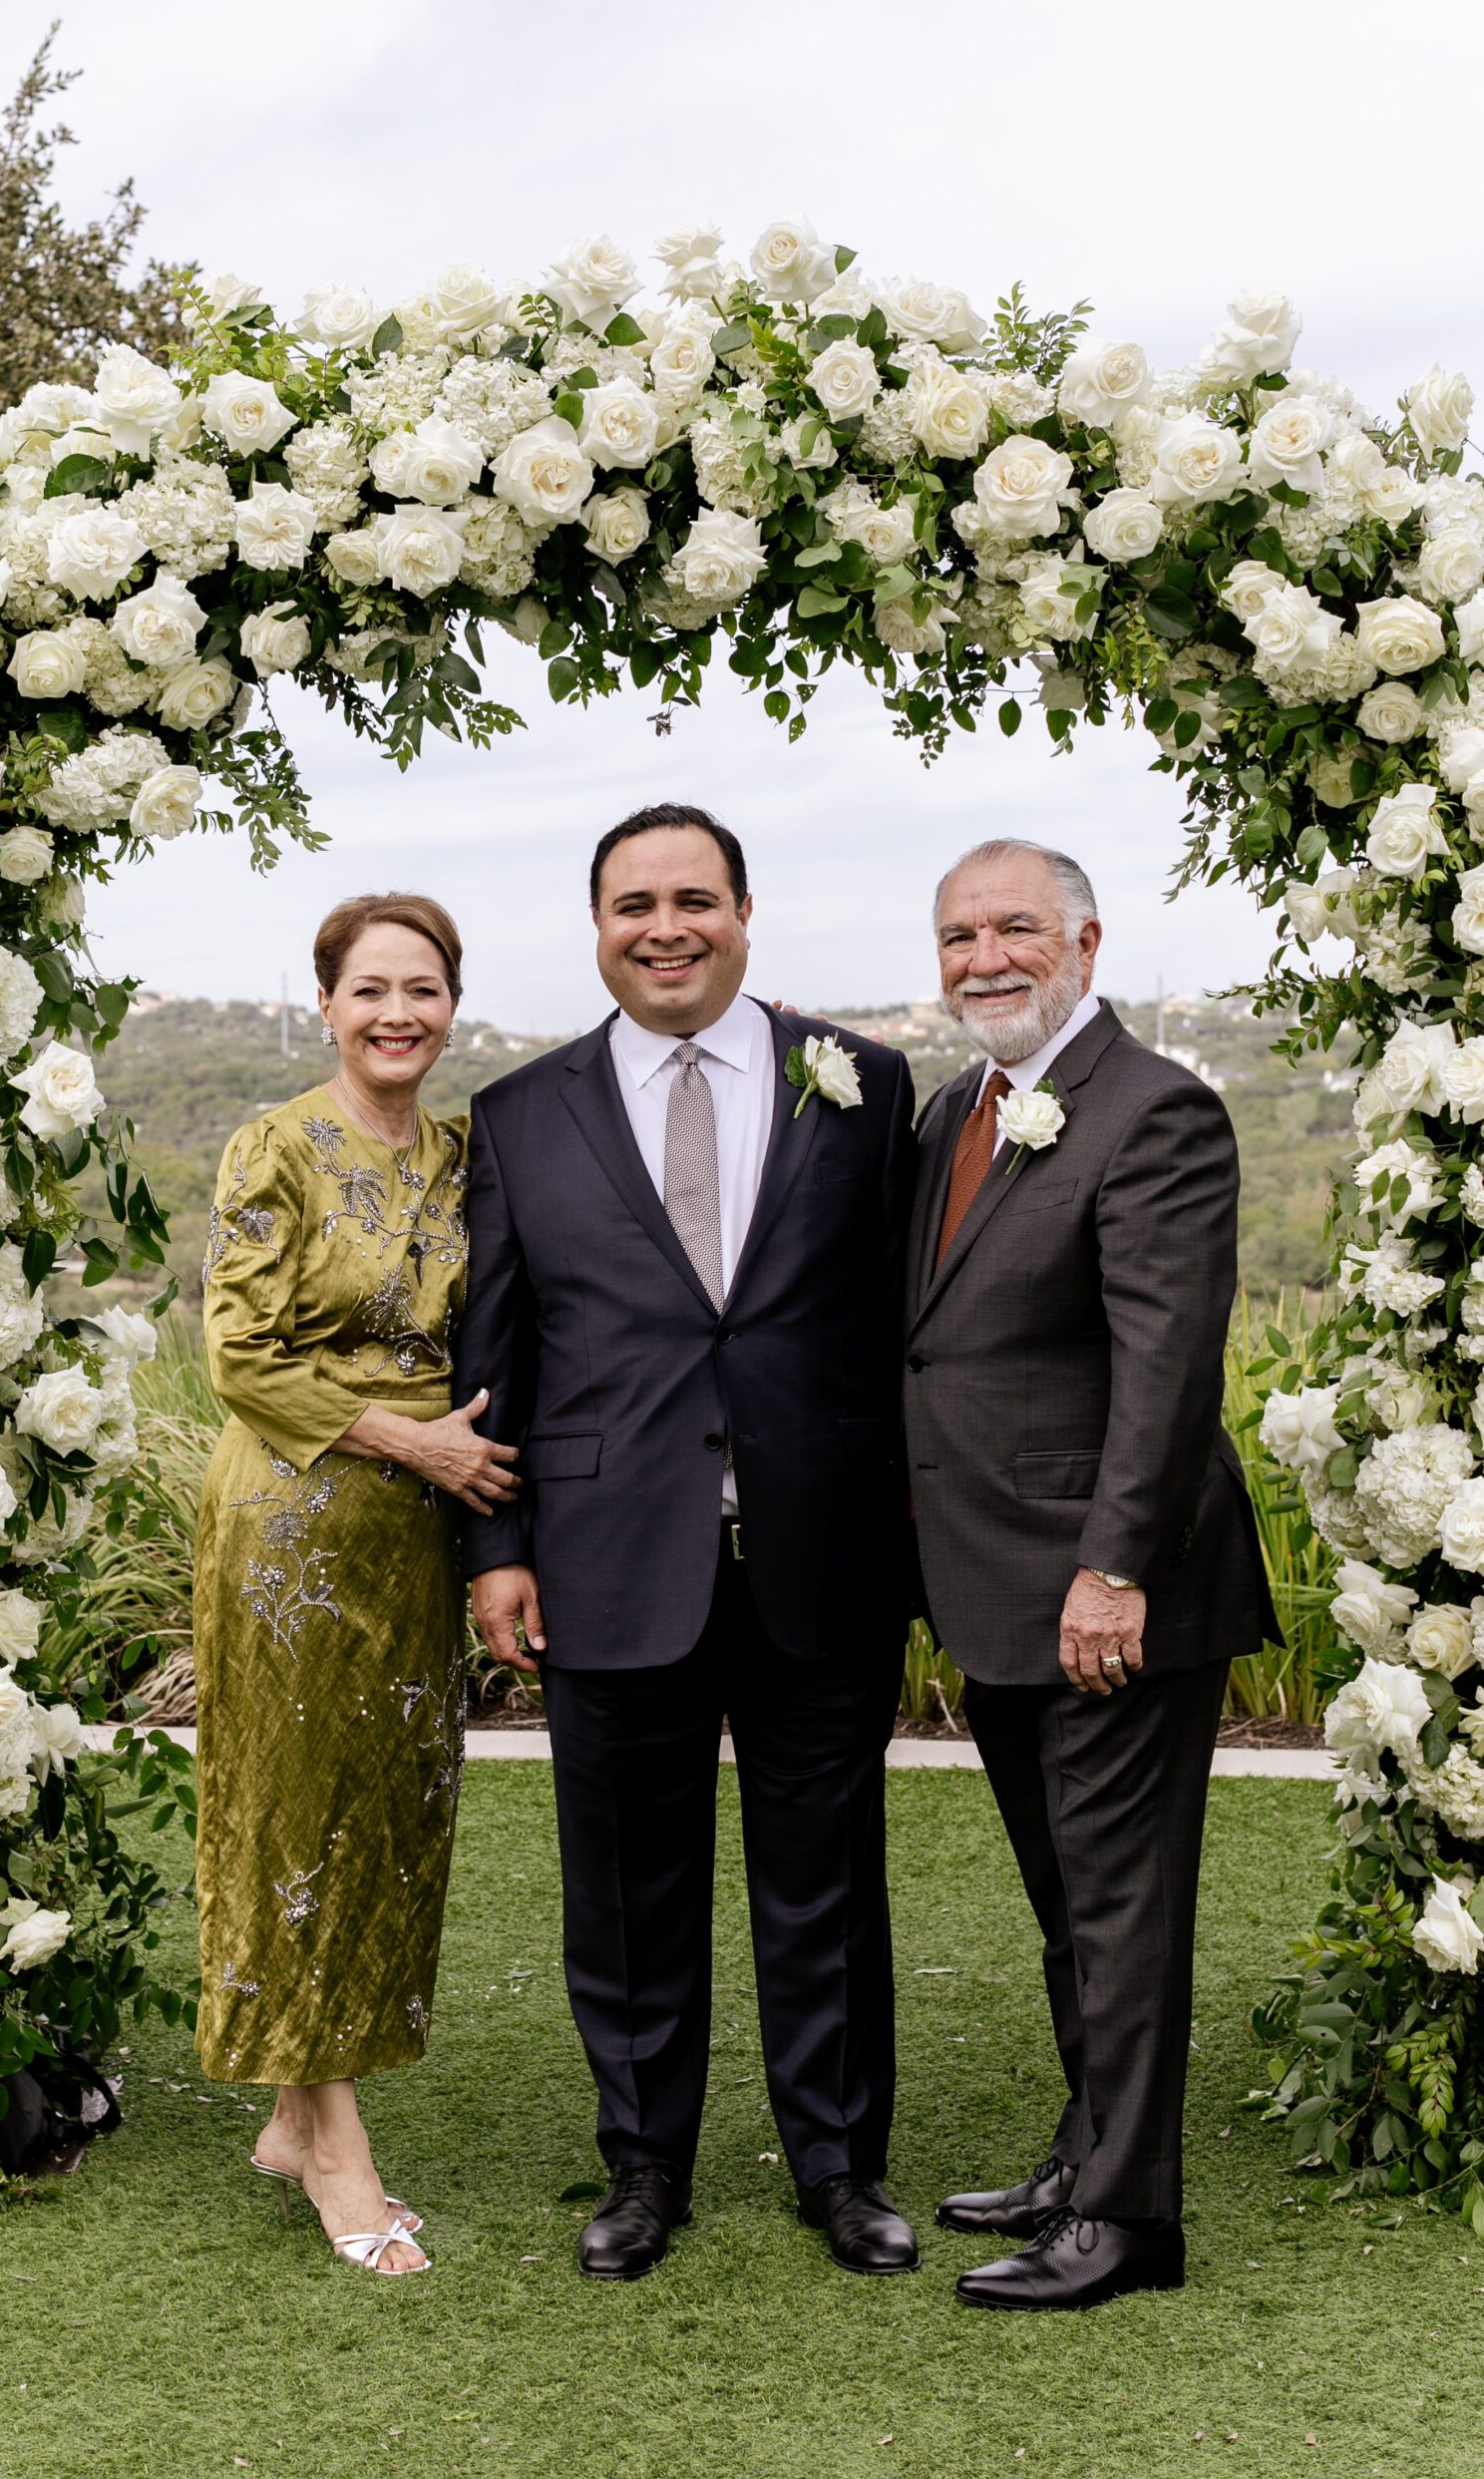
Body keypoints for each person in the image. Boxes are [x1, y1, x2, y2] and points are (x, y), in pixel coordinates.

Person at [452, 803, 921, 2279]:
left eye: (693, 899)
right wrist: (497, 1550)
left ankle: (838, 2169)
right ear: (596, 926)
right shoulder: (524, 1115)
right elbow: (496, 1353)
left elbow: (901, 1333)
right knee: (625, 1887)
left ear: (743, 910)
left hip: (818, 1548)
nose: (666, 927)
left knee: (827, 1883)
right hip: (604, 1556)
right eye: (634, 903)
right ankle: (643, 2167)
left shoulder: (864, 1086)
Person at [905, 838, 1277, 2311]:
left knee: (1121, 1908)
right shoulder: (953, 1112)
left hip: (1110, 1592)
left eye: (1011, 930)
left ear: (1084, 941)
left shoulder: (1157, 1112)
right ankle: (1082, 2149)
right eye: (955, 936)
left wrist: (1111, 1569)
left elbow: (1167, 1368)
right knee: (1069, 1901)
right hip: (994, 1580)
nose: (981, 958)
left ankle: (1126, 2225)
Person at [193, 891, 518, 2276]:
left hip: (413, 1541)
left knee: (378, 1823)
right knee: (288, 1821)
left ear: (452, 1006)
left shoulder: (466, 1156)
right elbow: (240, 1357)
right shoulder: (270, 1147)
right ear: (325, 1003)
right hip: (289, 1527)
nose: (398, 1013)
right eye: (371, 989)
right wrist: (414, 1440)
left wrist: (453, 1477)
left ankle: (289, 2110)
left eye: (424, 990)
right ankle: (338, 2152)